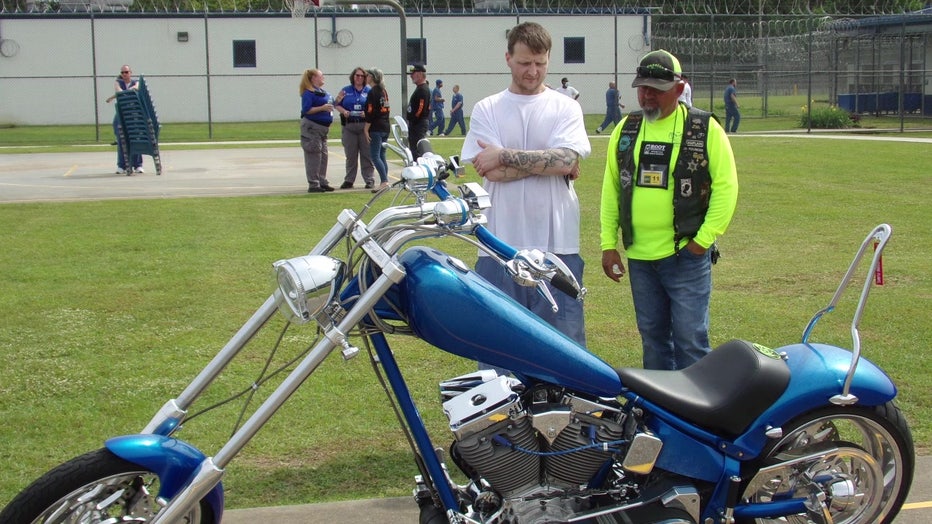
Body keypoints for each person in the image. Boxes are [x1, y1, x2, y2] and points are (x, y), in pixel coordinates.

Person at [599, 49, 738, 371]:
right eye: (642, 88)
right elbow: (612, 189)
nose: (647, 96)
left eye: (656, 90)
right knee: (653, 338)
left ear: (678, 88)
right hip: (641, 259)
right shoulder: (626, 129)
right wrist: (608, 245)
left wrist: (702, 241)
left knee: (691, 339)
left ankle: (698, 413)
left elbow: (726, 187)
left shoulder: (704, 129)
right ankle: (660, 413)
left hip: (685, 256)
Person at [462, 21, 591, 351]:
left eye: (540, 63)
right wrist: (549, 164)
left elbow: (565, 161)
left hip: (557, 246)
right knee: (498, 346)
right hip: (498, 245)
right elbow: (489, 171)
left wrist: (504, 155)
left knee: (562, 348)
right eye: (524, 63)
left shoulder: (566, 107)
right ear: (508, 58)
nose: (533, 71)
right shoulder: (488, 108)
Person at [335, 66, 375, 190]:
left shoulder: (369, 91)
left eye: (361, 76)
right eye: (356, 75)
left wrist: (367, 113)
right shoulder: (346, 90)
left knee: (366, 154)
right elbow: (336, 104)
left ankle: (369, 179)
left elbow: (374, 107)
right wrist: (343, 111)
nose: (359, 78)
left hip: (364, 125)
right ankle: (349, 180)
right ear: (353, 77)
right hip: (349, 125)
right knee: (350, 155)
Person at [299, 68, 335, 193]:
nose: (323, 77)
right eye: (321, 76)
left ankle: (322, 180)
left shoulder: (321, 92)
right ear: (313, 78)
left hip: (323, 129)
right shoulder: (308, 93)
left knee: (323, 155)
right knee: (314, 155)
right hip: (312, 128)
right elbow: (306, 110)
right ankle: (313, 184)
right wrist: (322, 108)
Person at [106, 64, 143, 175]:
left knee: (136, 138)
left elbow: (136, 88)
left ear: (130, 72)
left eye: (126, 72)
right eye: (122, 72)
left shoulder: (136, 81)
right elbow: (119, 91)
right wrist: (123, 93)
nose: (124, 74)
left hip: (134, 113)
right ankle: (121, 166)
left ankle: (138, 165)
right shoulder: (118, 82)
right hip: (122, 112)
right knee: (121, 138)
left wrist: (124, 92)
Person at [364, 67, 392, 193]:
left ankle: (384, 181)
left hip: (376, 126)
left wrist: (366, 128)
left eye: (368, 75)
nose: (366, 77)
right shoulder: (383, 91)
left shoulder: (373, 92)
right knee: (382, 154)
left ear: (373, 77)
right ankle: (384, 181)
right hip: (385, 124)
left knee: (375, 156)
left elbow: (371, 111)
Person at [406, 64, 431, 160]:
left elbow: (420, 109)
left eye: (413, 73)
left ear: (420, 74)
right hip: (416, 124)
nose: (411, 76)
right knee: (413, 148)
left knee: (417, 149)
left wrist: (414, 119)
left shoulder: (423, 90)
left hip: (418, 124)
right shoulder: (420, 88)